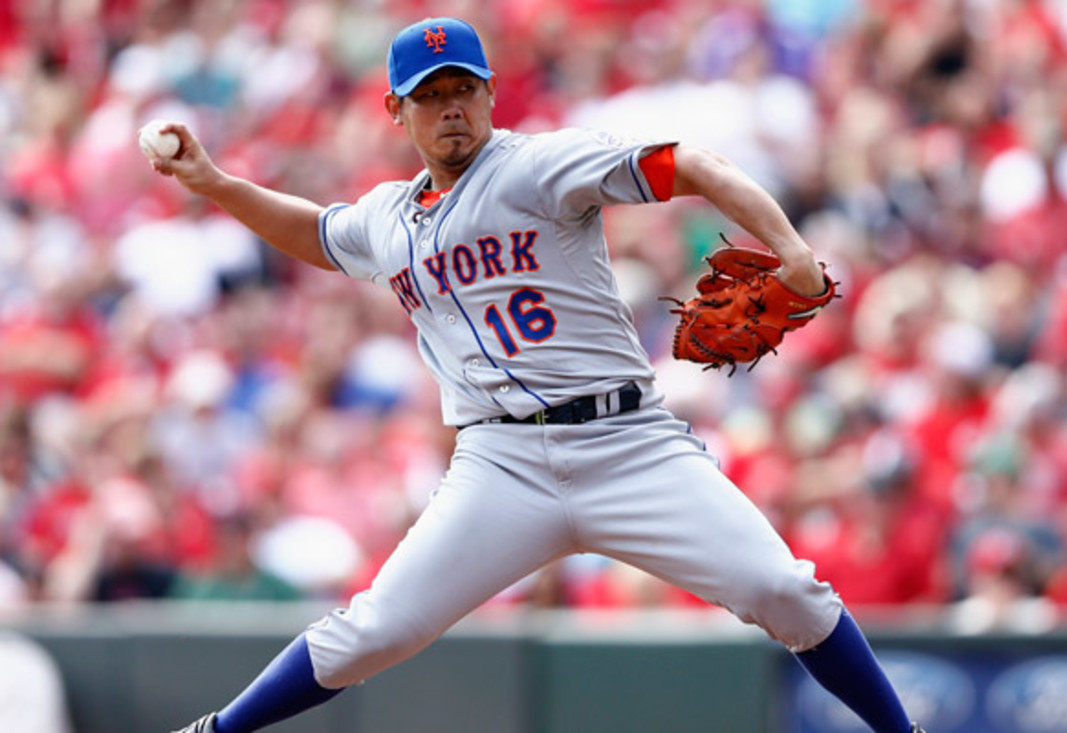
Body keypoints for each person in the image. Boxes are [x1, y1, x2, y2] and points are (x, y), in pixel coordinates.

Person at [156, 17, 924, 733]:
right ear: (397, 110)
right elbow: (318, 233)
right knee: (375, 630)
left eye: (463, 89)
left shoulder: (538, 165)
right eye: (430, 96)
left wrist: (790, 250)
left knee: (784, 591)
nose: (450, 108)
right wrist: (216, 183)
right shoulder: (386, 218)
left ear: (490, 93)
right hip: (500, 465)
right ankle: (216, 730)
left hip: (628, 443)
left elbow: (691, 162)